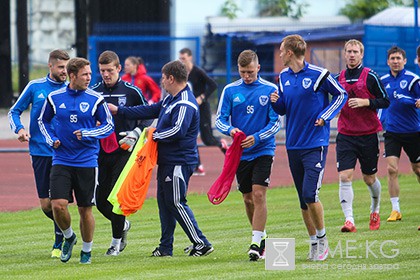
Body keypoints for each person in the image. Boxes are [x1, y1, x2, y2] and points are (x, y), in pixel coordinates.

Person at [108, 60, 214, 257]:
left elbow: (177, 131)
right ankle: (166, 247)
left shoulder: (184, 103)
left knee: (175, 202)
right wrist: (120, 110)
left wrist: (150, 135)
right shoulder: (170, 99)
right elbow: (150, 110)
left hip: (179, 162)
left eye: (163, 78)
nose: (162, 82)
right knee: (165, 205)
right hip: (167, 160)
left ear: (171, 78)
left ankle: (202, 243)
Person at [271, 35, 347, 261]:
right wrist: (276, 101)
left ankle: (323, 240)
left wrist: (325, 115)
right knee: (302, 199)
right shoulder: (283, 76)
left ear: (290, 53)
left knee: (310, 193)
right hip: (293, 144)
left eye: (282, 50)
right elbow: (284, 108)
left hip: (315, 144)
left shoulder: (319, 74)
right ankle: (313, 242)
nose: (280, 54)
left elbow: (341, 94)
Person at [38, 57, 114, 264]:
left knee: (84, 209)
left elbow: (109, 125)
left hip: (87, 161)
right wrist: (51, 139)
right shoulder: (54, 97)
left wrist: (89, 133)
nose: (89, 78)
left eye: (90, 74)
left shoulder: (95, 98)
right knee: (58, 205)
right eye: (85, 74)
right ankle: (69, 236)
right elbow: (42, 121)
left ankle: (87, 251)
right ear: (72, 76)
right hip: (61, 159)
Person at [216, 50, 282, 261]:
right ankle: (262, 237)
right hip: (240, 153)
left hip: (263, 149)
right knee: (247, 198)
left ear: (258, 68)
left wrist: (258, 137)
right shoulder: (229, 90)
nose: (247, 76)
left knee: (259, 194)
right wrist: (231, 130)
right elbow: (220, 120)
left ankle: (254, 244)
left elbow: (276, 123)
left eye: (250, 72)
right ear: (238, 70)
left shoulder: (271, 89)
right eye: (243, 72)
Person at [8, 49, 70, 258]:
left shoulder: (70, 89)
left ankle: (60, 241)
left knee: (57, 201)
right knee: (45, 205)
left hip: (62, 153)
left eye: (67, 67)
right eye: (61, 67)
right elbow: (14, 111)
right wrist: (19, 129)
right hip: (39, 151)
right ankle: (66, 230)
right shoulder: (36, 87)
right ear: (50, 66)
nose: (65, 71)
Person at [91, 51, 150, 256]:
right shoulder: (93, 90)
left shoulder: (132, 91)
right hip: (99, 151)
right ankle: (123, 225)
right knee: (100, 202)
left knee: (117, 198)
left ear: (118, 69)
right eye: (102, 71)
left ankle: (115, 244)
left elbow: (148, 116)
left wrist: (135, 132)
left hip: (124, 151)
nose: (106, 74)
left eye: (109, 70)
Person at [335, 39, 389, 233]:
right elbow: (330, 99)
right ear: (344, 54)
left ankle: (375, 210)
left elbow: (385, 101)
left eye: (355, 52)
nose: (351, 54)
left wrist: (366, 102)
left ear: (361, 55)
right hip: (345, 135)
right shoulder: (338, 78)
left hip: (367, 135)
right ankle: (349, 220)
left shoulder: (370, 76)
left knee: (369, 178)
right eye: (348, 51)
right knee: (344, 176)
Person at [380, 46, 420, 223]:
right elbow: (380, 104)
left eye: (398, 58)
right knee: (391, 169)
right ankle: (395, 209)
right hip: (392, 132)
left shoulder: (413, 80)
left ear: (404, 60)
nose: (395, 61)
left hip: (413, 131)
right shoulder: (383, 81)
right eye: (392, 58)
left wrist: (409, 101)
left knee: (417, 169)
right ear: (388, 61)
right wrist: (380, 121)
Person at [179, 48, 228, 176]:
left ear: (190, 57)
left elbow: (213, 85)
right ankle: (198, 165)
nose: (182, 61)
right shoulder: (183, 73)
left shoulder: (198, 72)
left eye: (183, 58)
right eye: (180, 58)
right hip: (190, 109)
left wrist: (201, 97)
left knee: (207, 139)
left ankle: (221, 143)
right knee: (189, 136)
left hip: (202, 108)